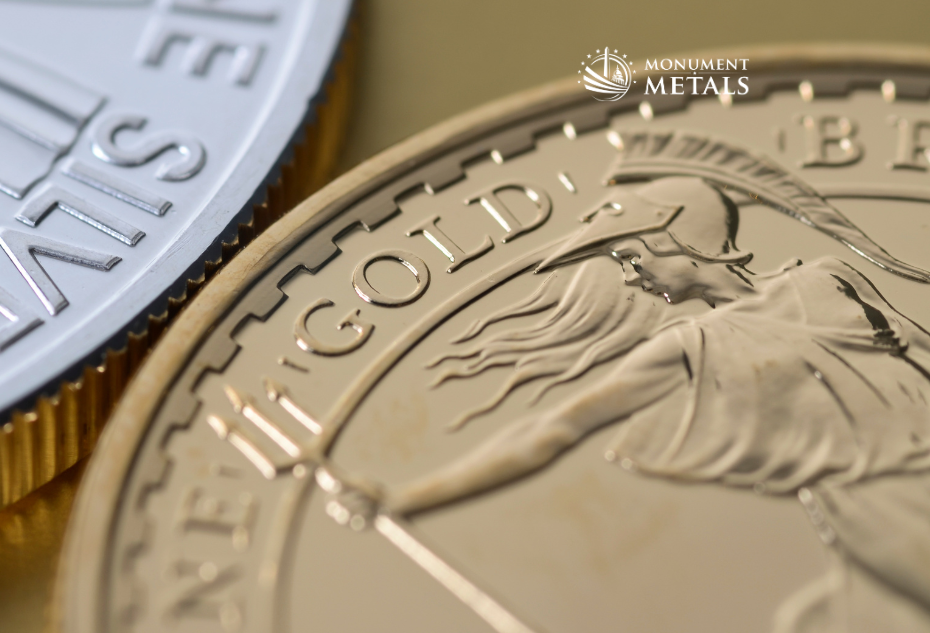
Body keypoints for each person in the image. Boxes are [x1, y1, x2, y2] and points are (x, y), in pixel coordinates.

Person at [392, 131, 930, 632]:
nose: (628, 274)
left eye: (630, 254)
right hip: (874, 508)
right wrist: (405, 497)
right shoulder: (688, 345)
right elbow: (552, 429)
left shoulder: (828, 277)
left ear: (675, 235)